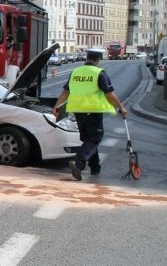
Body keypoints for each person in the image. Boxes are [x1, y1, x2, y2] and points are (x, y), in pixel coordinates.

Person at [52, 48, 127, 180]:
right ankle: (78, 162)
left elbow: (65, 92)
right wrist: (120, 107)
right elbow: (109, 94)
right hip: (92, 111)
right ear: (98, 59)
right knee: (94, 138)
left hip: (77, 110)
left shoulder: (75, 72)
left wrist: (57, 106)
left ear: (87, 57)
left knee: (88, 139)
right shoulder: (99, 73)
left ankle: (95, 167)